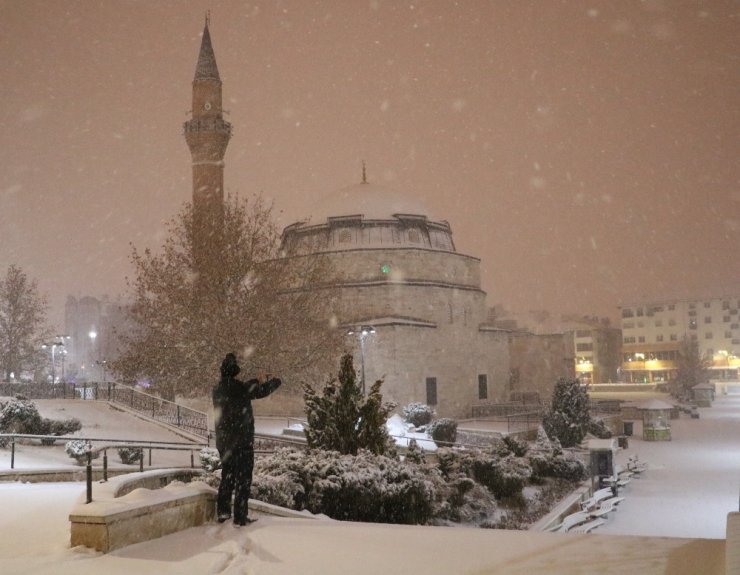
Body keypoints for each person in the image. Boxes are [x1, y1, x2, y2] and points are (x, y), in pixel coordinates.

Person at [212, 352, 282, 526]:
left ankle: (223, 512)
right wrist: (274, 382)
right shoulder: (239, 389)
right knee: (243, 480)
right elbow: (257, 391)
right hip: (241, 442)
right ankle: (240, 517)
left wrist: (256, 381)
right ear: (235, 372)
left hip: (224, 442)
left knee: (227, 476)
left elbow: (246, 388)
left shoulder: (218, 389)